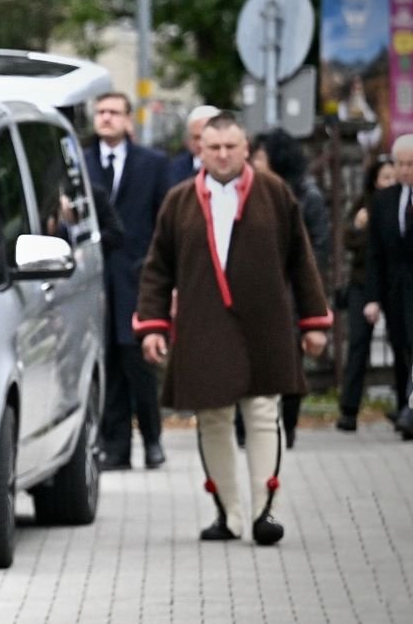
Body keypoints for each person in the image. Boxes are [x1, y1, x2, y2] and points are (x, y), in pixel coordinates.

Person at [133, 115, 332, 545]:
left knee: (263, 413)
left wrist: (314, 321)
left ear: (246, 149)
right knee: (213, 417)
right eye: (214, 147)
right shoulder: (180, 201)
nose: (223, 155)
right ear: (200, 150)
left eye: (231, 146)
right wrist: (152, 325)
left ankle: (264, 513)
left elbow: (301, 260)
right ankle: (229, 514)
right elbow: (157, 268)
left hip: (265, 324)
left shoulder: (274, 193)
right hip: (204, 324)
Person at [84, 91, 172, 470]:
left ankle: (152, 440)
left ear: (128, 119)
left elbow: (164, 222)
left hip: (138, 279)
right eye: (101, 112)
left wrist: (166, 276)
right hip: (94, 280)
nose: (106, 118)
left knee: (138, 363)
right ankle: (116, 447)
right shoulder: (82, 163)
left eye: (114, 112)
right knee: (107, 363)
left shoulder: (153, 163)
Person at [252, 128, 332, 447]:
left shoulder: (305, 195)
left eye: (260, 157)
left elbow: (320, 245)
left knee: (290, 360)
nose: (255, 163)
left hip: (293, 291)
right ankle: (251, 426)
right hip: (259, 289)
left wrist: (305, 283)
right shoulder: (250, 192)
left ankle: (287, 423)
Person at [338, 155, 398, 431]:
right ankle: (349, 409)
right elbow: (349, 240)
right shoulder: (365, 205)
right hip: (363, 282)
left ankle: (405, 406)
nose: (390, 182)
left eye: (393, 177)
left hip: (394, 283)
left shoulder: (403, 203)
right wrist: (359, 226)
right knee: (358, 342)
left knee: (402, 344)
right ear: (374, 181)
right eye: (385, 177)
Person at [363, 134, 413, 440]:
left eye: (411, 164)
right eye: (400, 164)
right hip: (396, 289)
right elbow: (375, 253)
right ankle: (404, 408)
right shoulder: (384, 201)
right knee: (400, 347)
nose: (405, 170)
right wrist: (373, 298)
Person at [167, 104, 222, 186]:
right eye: (196, 138)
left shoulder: (235, 168)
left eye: (206, 137)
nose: (200, 144)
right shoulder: (174, 169)